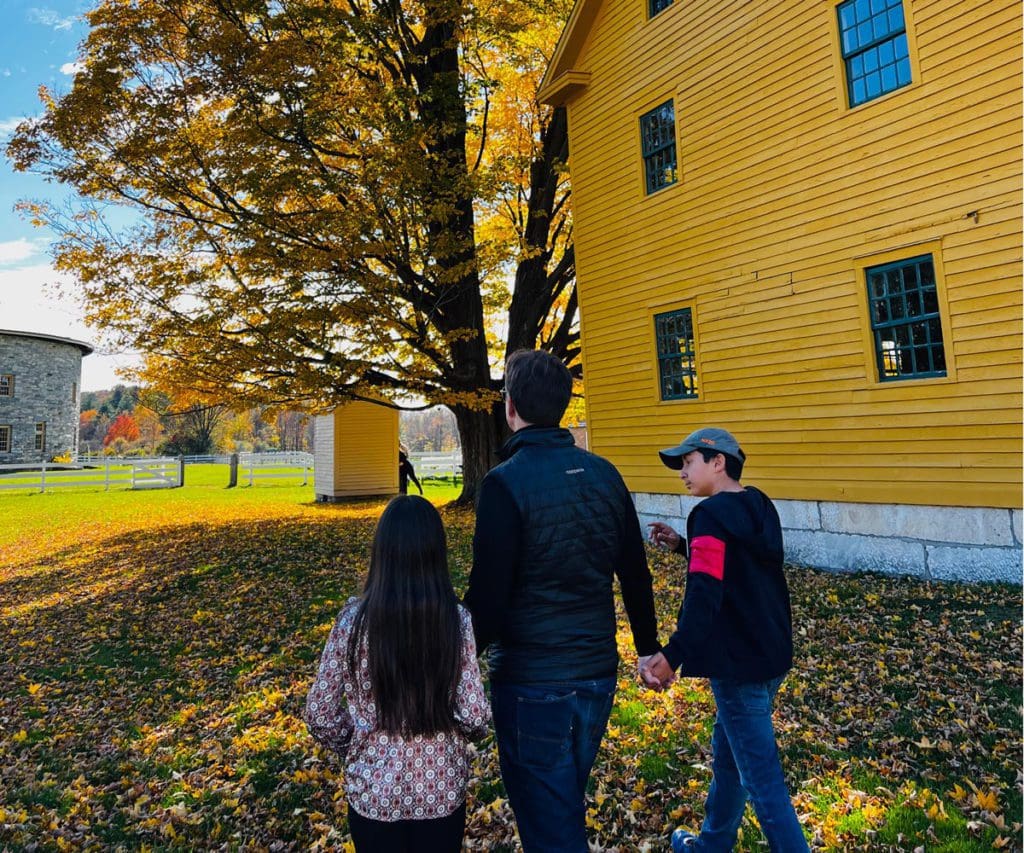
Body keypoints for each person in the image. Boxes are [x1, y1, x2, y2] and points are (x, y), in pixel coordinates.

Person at [464, 349, 661, 853]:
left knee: (551, 826)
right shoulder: (605, 474)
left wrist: (453, 659)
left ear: (510, 408)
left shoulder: (503, 484)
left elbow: (487, 598)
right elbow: (635, 575)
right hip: (597, 673)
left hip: (534, 681)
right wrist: (647, 647)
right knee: (563, 799)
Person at [642, 427, 808, 852]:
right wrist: (685, 546)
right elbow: (744, 566)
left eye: (688, 461)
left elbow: (705, 592)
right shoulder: (759, 505)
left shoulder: (710, 516)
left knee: (762, 780)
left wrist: (672, 653)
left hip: (738, 665)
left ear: (719, 462)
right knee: (730, 757)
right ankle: (711, 844)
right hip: (771, 654)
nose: (682, 472)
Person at [304, 495, 490, 853]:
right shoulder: (456, 620)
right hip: (440, 791)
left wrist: (356, 742)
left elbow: (320, 713)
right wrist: (466, 733)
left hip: (373, 791)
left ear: (382, 552)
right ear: (437, 553)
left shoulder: (351, 623)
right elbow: (473, 713)